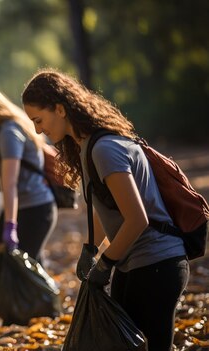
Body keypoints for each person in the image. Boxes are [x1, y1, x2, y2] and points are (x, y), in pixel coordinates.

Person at [21, 68, 189, 350]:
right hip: (135, 265)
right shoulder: (87, 146)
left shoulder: (104, 149)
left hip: (157, 265)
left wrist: (105, 263)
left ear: (60, 109)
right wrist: (91, 248)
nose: (39, 130)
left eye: (39, 120)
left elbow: (137, 218)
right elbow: (109, 209)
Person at [0, 75, 57, 262]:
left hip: (33, 210)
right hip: (30, 208)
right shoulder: (8, 126)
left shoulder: (8, 132)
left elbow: (10, 184)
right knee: (17, 270)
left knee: (16, 274)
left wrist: (10, 226)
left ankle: (47, 293)